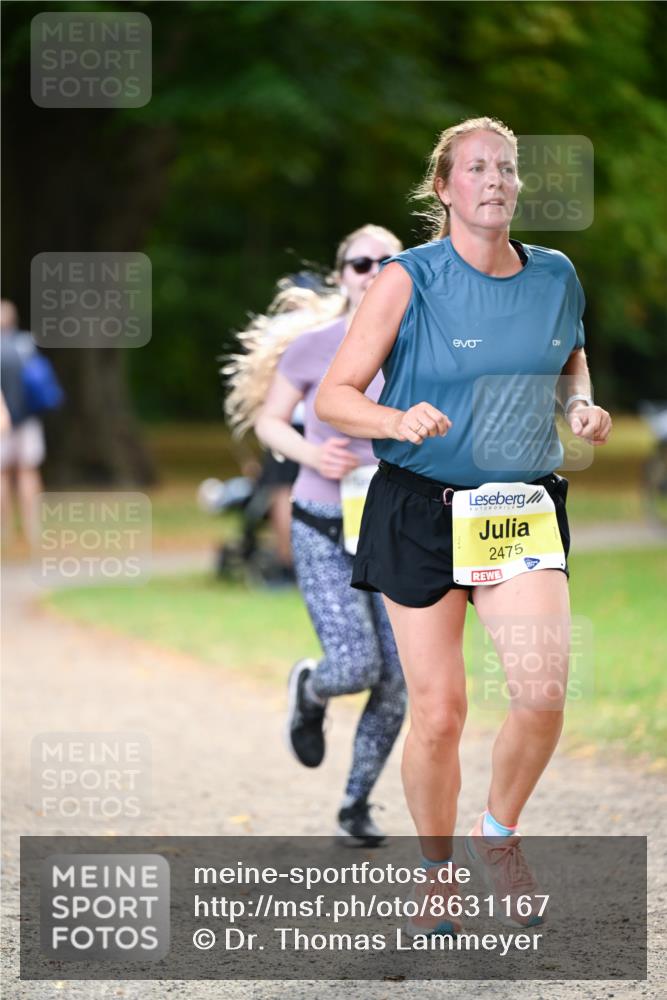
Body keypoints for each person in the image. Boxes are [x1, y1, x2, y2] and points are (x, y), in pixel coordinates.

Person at [315, 119, 612, 930]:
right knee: (439, 712)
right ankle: (436, 871)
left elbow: (568, 353)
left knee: (543, 691)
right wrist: (390, 418)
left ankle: (498, 835)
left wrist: (578, 404)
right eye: (476, 168)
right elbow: (333, 395)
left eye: (506, 168)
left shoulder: (554, 274)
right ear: (442, 188)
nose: (495, 180)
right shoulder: (406, 280)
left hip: (519, 508)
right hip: (419, 511)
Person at [228, 225, 407, 845]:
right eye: (362, 262)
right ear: (342, 275)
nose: (375, 269)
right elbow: (270, 422)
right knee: (356, 663)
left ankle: (355, 805)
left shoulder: (424, 344)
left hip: (394, 525)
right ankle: (311, 685)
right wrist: (313, 452)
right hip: (321, 521)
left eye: (389, 260)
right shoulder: (314, 347)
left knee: (399, 680)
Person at [1, 300, 46, 547]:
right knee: (28, 472)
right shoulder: (27, 344)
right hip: (28, 419)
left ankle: (4, 532)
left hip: (2, 422)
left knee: (2, 475)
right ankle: (33, 530)